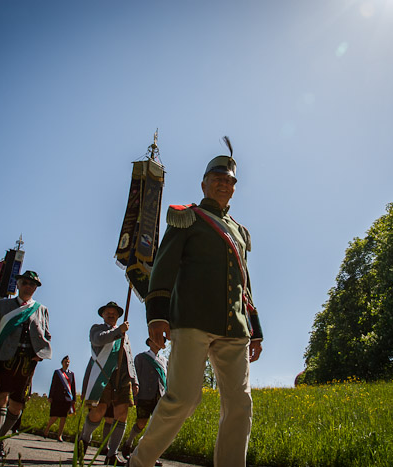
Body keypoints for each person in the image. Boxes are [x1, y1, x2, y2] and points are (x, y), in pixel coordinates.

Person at [129, 141, 264, 467]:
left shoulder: (240, 232)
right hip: (191, 320)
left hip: (235, 328)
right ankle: (140, 462)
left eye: (230, 180)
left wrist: (255, 330)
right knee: (182, 399)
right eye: (217, 177)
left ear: (234, 188)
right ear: (204, 183)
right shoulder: (186, 218)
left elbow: (244, 284)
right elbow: (163, 267)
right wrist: (157, 316)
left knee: (240, 404)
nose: (224, 183)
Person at [0, 270, 51, 462]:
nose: (29, 286)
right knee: (0, 397)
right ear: (18, 284)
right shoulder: (3, 306)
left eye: (33, 284)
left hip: (27, 361)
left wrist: (41, 354)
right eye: (25, 282)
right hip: (4, 358)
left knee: (18, 404)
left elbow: (46, 335)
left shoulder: (41, 309)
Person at [79, 301, 139, 466]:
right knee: (99, 411)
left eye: (114, 313)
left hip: (122, 378)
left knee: (122, 414)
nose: (111, 315)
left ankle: (112, 455)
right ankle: (84, 438)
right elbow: (98, 340)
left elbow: (130, 358)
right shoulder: (97, 329)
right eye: (108, 313)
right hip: (103, 375)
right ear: (103, 315)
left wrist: (134, 380)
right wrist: (118, 331)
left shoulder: (124, 335)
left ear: (119, 316)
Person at [121, 338, 167, 465]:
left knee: (156, 428)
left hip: (160, 397)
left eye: (161, 341)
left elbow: (165, 380)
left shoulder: (164, 361)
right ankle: (128, 443)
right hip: (145, 396)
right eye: (156, 341)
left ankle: (151, 456)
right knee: (141, 423)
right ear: (150, 343)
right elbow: (135, 377)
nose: (158, 343)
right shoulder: (141, 358)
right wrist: (135, 397)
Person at [44, 355, 77, 441]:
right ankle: (46, 430)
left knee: (63, 417)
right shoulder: (57, 372)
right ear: (62, 362)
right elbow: (53, 384)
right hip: (57, 398)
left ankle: (59, 435)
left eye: (68, 362)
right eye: (65, 362)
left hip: (67, 399)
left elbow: (73, 387)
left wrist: (74, 399)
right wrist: (50, 396)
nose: (67, 364)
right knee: (54, 417)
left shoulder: (71, 374)